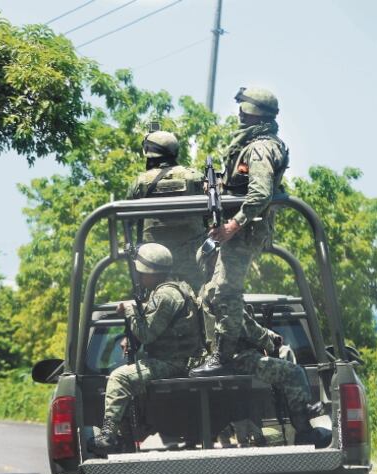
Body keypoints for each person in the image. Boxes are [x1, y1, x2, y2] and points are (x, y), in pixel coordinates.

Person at [191, 86, 290, 377]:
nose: (239, 113)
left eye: (244, 108)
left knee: (224, 292)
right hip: (240, 230)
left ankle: (223, 355)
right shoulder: (254, 143)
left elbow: (259, 194)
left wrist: (233, 225)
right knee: (211, 292)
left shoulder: (260, 147)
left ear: (256, 112)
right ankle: (265, 340)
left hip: (245, 231)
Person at [93, 243, 203, 453]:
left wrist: (130, 311)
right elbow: (156, 316)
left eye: (142, 272)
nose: (140, 277)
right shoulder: (174, 289)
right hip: (178, 359)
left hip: (173, 363)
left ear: (152, 273)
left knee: (119, 378)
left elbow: (146, 334)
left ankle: (108, 436)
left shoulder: (165, 295)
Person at [127, 130, 206, 292]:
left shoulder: (141, 182)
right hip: (192, 258)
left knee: (154, 303)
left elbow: (127, 220)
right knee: (198, 301)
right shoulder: (195, 177)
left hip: (152, 263)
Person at [228, 320, 330, 447]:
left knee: (288, 363)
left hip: (231, 357)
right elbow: (250, 328)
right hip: (237, 357)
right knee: (294, 373)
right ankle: (303, 428)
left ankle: (301, 415)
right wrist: (271, 340)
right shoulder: (230, 301)